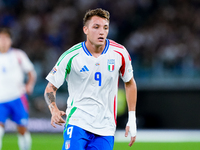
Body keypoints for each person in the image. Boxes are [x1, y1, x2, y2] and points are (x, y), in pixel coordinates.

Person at [44, 8, 137, 150]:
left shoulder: (120, 53)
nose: (102, 32)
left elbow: (129, 82)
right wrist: (54, 109)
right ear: (85, 30)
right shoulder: (71, 56)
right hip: (78, 121)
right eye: (96, 27)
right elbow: (50, 87)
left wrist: (132, 118)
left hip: (106, 126)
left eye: (105, 27)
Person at [0, 28, 36, 150]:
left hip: (17, 97)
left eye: (6, 38)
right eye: (1, 38)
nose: (3, 41)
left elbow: (31, 72)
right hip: (1, 100)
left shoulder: (18, 55)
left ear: (10, 40)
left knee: (22, 129)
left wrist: (29, 85)